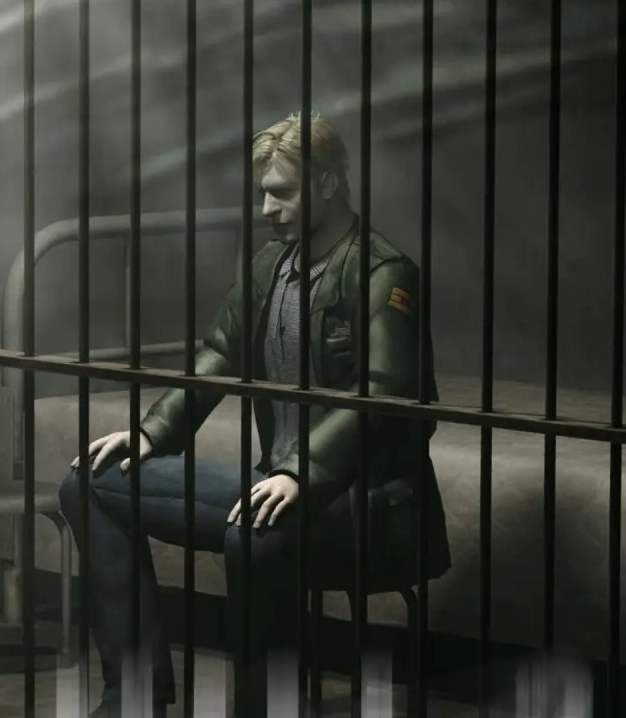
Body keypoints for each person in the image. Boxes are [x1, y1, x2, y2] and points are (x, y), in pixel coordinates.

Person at [58, 113, 452, 717]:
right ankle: (134, 697)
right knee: (87, 483)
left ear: (327, 184)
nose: (267, 207)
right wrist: (149, 432)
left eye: (282, 192)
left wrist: (301, 473)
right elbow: (218, 354)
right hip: (280, 489)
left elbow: (385, 395)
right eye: (264, 192)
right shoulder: (271, 265)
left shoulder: (383, 273)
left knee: (256, 536)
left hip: (366, 507)